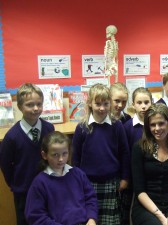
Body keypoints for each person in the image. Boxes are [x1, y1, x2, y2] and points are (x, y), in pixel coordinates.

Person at [72, 83, 130, 225]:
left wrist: (125, 178)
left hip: (111, 181)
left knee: (110, 221)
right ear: (90, 103)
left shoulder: (117, 126)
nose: (102, 108)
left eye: (106, 103)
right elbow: (75, 157)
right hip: (87, 182)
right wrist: (77, 180)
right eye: (98, 104)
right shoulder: (82, 128)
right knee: (90, 219)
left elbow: (124, 153)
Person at [0, 83, 54, 225]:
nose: (35, 108)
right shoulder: (12, 136)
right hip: (24, 191)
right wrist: (16, 184)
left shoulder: (49, 128)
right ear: (19, 106)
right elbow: (5, 165)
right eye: (30, 105)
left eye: (39, 104)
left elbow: (53, 156)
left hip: (47, 187)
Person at [25, 131, 98, 225]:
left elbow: (91, 198)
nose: (61, 159)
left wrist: (91, 218)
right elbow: (35, 216)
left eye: (64, 154)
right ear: (44, 155)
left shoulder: (78, 174)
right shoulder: (39, 183)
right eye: (55, 155)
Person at [122, 87, 152, 225]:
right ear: (133, 104)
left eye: (147, 102)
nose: (143, 106)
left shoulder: (155, 126)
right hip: (134, 178)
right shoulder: (128, 127)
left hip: (152, 175)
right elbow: (125, 154)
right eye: (139, 102)